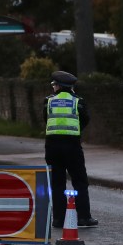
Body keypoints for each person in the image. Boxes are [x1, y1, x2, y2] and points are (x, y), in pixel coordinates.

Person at [44, 70, 98, 228]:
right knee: (80, 181)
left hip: (52, 146)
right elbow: (85, 120)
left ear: (58, 86)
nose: (53, 87)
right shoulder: (78, 101)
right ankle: (83, 217)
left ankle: (58, 219)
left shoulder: (48, 101)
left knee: (57, 183)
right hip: (72, 145)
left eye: (54, 85)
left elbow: (45, 119)